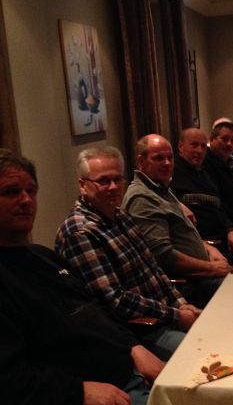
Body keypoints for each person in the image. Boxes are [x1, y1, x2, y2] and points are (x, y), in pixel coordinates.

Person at [0, 150, 168, 405]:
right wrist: (79, 393)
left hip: (123, 381)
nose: (26, 200)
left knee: (210, 399)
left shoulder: (41, 258)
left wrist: (132, 347)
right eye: (10, 192)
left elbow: (94, 314)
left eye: (30, 190)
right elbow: (9, 383)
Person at [55, 145, 200, 361]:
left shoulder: (120, 216)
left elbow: (153, 268)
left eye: (117, 179)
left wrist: (181, 303)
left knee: (222, 332)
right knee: (205, 354)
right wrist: (177, 315)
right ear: (83, 185)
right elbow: (115, 301)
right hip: (138, 332)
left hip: (165, 315)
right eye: (104, 181)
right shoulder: (80, 232)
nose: (113, 187)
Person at [123, 134, 230, 308]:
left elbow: (180, 236)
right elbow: (164, 257)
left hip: (203, 274)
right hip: (186, 286)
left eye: (170, 158)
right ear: (141, 161)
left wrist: (209, 248)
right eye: (158, 158)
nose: (167, 163)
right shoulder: (142, 198)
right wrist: (211, 268)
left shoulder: (160, 188)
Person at [171, 127, 233, 262]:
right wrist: (176, 204)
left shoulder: (205, 172)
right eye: (194, 145)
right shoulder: (171, 171)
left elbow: (219, 207)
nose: (199, 151)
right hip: (201, 247)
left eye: (203, 146)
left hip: (224, 239)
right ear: (181, 146)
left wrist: (231, 229)